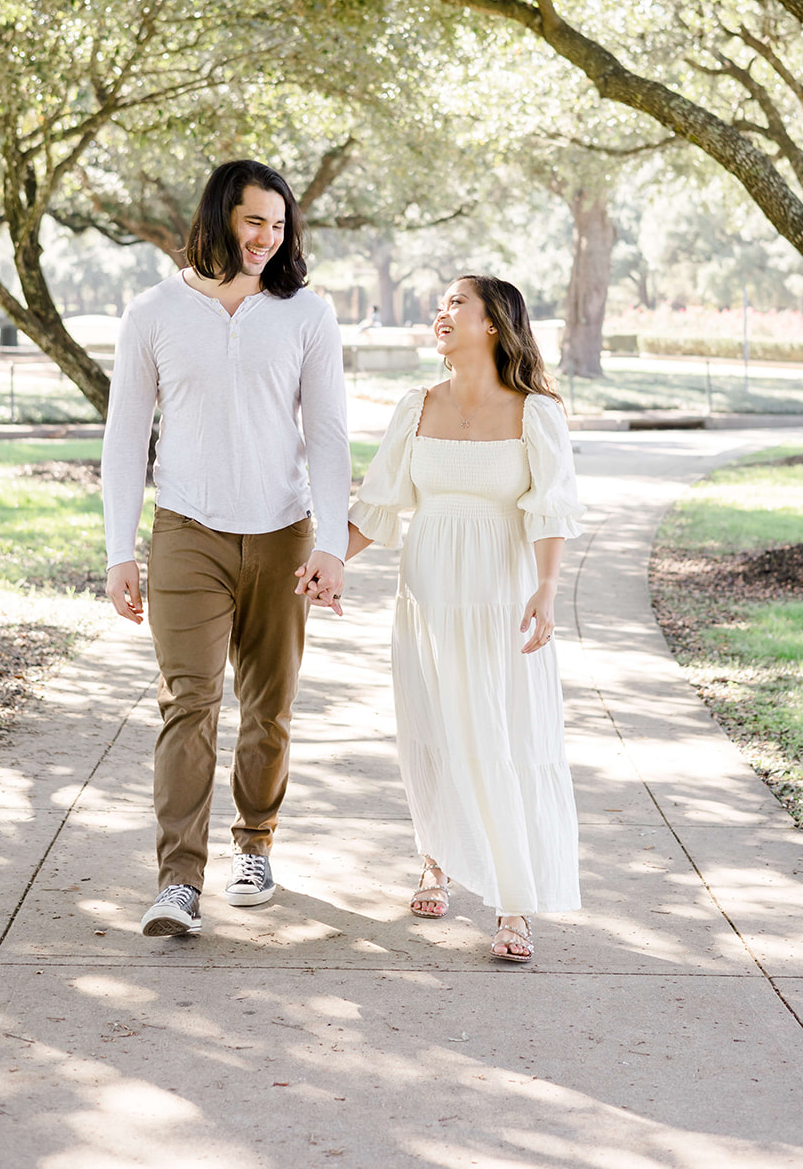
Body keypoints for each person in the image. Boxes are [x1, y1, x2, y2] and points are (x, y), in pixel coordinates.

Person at [102, 160, 350, 937]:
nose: (266, 240)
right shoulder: (153, 311)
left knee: (269, 708)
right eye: (254, 223)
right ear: (218, 217)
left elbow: (330, 437)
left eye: (278, 227)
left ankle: (256, 844)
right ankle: (178, 880)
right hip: (187, 532)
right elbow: (123, 438)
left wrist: (333, 544)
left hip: (283, 534)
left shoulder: (305, 313)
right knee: (189, 702)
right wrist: (119, 551)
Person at [345, 275, 583, 961]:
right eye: (440, 304)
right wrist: (328, 562)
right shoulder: (414, 406)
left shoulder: (534, 412)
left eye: (457, 303)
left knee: (502, 735)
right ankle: (436, 859)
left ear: (492, 324)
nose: (441, 312)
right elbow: (378, 507)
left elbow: (550, 509)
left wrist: (544, 589)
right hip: (427, 593)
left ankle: (514, 902)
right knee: (432, 726)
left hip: (500, 596)